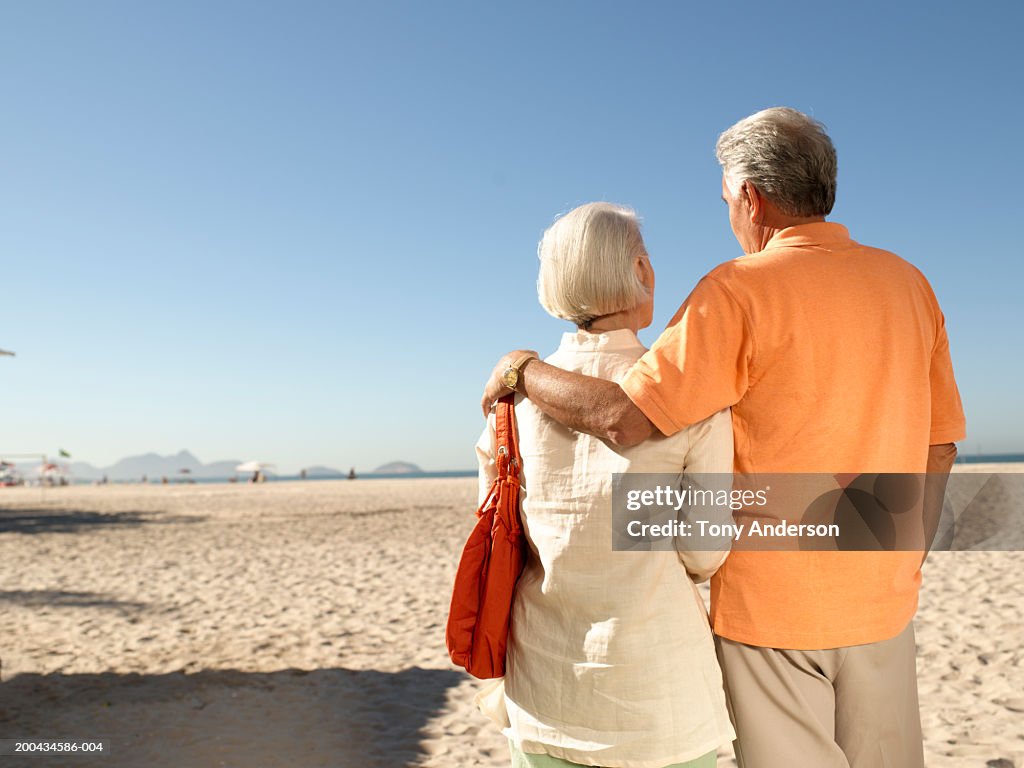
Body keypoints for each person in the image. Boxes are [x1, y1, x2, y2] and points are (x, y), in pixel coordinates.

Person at [481, 108, 965, 768]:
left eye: (725, 201)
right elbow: (939, 446)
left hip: (773, 610)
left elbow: (624, 416)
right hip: (884, 596)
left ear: (750, 196)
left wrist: (523, 369)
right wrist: (908, 551)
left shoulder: (735, 292)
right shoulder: (910, 284)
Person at [475, 202, 736, 768]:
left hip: (542, 686)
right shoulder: (690, 401)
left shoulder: (509, 404)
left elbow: (501, 535)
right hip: (654, 692)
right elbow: (705, 551)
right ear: (640, 269)